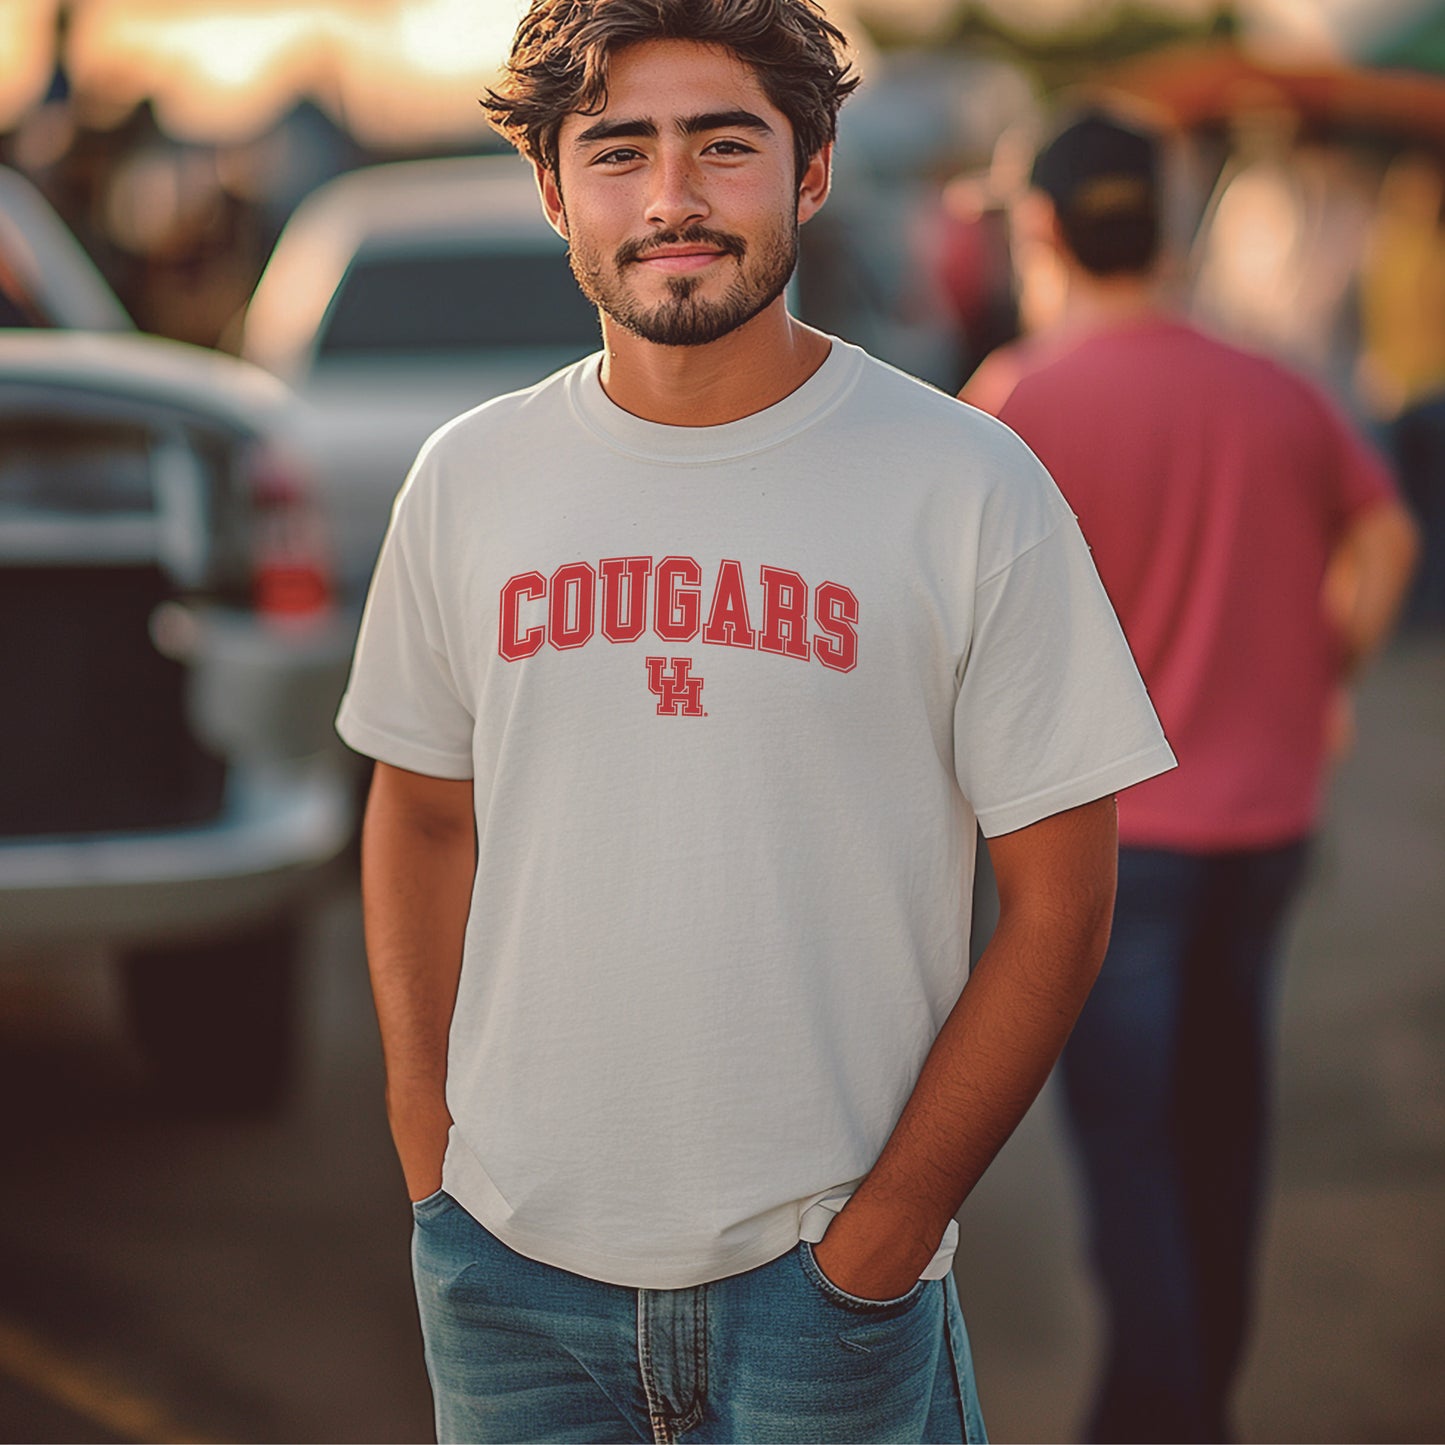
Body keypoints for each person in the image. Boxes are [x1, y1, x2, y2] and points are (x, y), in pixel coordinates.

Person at [336, 7, 1176, 1439]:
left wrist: (884, 1234)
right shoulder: (466, 480)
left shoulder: (964, 480)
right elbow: (420, 813)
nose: (671, 198)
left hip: (825, 1293)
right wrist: (435, 1164)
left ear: (810, 169)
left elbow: (1060, 900)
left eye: (723, 146)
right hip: (509, 1282)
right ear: (552, 186)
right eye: (618, 151)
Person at [963, 110, 1420, 1444]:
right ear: (1162, 224)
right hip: (1263, 827)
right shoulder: (1273, 384)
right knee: (1222, 1133)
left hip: (1108, 852)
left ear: (1041, 231)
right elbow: (1383, 531)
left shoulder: (1013, 400)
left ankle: (1166, 1418)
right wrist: (1321, 668)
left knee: (1130, 1165)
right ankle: (1186, 1397)